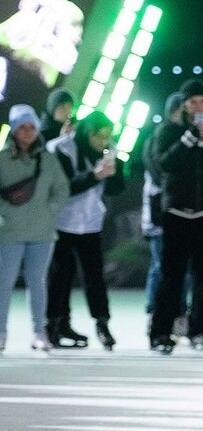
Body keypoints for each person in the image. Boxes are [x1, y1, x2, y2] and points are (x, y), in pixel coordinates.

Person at [148, 79, 203, 353]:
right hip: (175, 213)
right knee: (170, 276)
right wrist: (188, 140)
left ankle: (199, 330)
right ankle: (161, 332)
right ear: (184, 104)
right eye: (193, 101)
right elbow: (164, 165)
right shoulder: (168, 131)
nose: (198, 106)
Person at [46, 111, 124, 350]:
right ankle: (56, 325)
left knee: (95, 277)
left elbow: (115, 189)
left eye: (108, 136)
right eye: (100, 136)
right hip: (62, 222)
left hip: (90, 223)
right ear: (87, 132)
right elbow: (65, 188)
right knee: (61, 276)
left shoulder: (109, 149)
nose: (104, 141)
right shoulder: (61, 148)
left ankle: (102, 324)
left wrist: (114, 170)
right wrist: (94, 175)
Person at [0, 105, 69, 353]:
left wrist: (49, 209)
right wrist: (4, 214)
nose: (27, 132)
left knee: (37, 282)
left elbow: (62, 189)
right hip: (9, 232)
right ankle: (1, 333)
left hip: (42, 232)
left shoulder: (48, 159)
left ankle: (39, 332)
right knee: (3, 283)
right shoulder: (2, 159)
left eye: (31, 127)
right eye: (22, 127)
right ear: (14, 130)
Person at [142, 92, 186, 327]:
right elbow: (160, 174)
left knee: (183, 267)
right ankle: (154, 311)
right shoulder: (157, 137)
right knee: (161, 265)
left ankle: (179, 313)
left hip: (183, 212)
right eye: (183, 109)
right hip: (159, 212)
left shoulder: (191, 136)